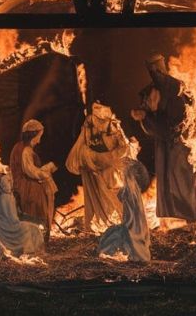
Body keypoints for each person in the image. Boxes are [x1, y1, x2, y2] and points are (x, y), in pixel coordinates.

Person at [130, 54, 196, 223]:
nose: (154, 71)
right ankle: (172, 218)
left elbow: (176, 124)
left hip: (180, 144)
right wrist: (143, 115)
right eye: (151, 69)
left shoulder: (177, 89)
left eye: (156, 67)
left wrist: (146, 118)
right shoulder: (153, 90)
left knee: (182, 179)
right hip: (164, 142)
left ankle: (190, 216)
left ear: (162, 67)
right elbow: (150, 114)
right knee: (168, 179)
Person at [65, 102, 128, 232]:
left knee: (114, 194)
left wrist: (109, 157)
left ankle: (117, 224)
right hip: (95, 169)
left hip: (111, 169)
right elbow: (82, 146)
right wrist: (89, 157)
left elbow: (124, 148)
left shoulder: (113, 126)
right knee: (99, 197)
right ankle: (103, 225)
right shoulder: (88, 125)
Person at [10, 119, 58, 242]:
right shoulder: (26, 150)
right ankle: (37, 236)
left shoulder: (19, 147)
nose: (39, 140)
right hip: (26, 185)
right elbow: (30, 171)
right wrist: (46, 173)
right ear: (33, 135)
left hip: (22, 182)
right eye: (38, 136)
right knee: (42, 197)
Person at [97, 158, 151, 262]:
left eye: (124, 174)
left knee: (116, 237)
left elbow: (132, 212)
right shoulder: (131, 191)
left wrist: (127, 225)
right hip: (133, 223)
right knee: (113, 234)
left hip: (131, 223)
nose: (121, 175)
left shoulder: (131, 192)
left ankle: (130, 255)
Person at [0, 174, 45, 259]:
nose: (11, 184)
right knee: (30, 228)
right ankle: (29, 251)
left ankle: (32, 251)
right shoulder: (7, 197)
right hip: (9, 227)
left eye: (11, 181)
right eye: (8, 182)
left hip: (5, 226)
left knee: (33, 227)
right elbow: (13, 219)